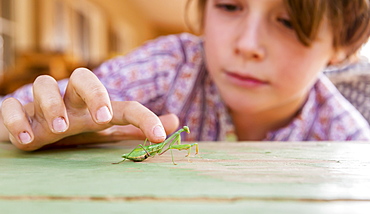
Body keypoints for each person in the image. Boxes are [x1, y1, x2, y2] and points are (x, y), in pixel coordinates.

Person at [1, 0, 370, 151]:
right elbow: (14, 112)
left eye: (289, 22)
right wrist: (37, 124)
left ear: (341, 44)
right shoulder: (171, 66)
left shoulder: (351, 143)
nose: (247, 44)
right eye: (229, 5)